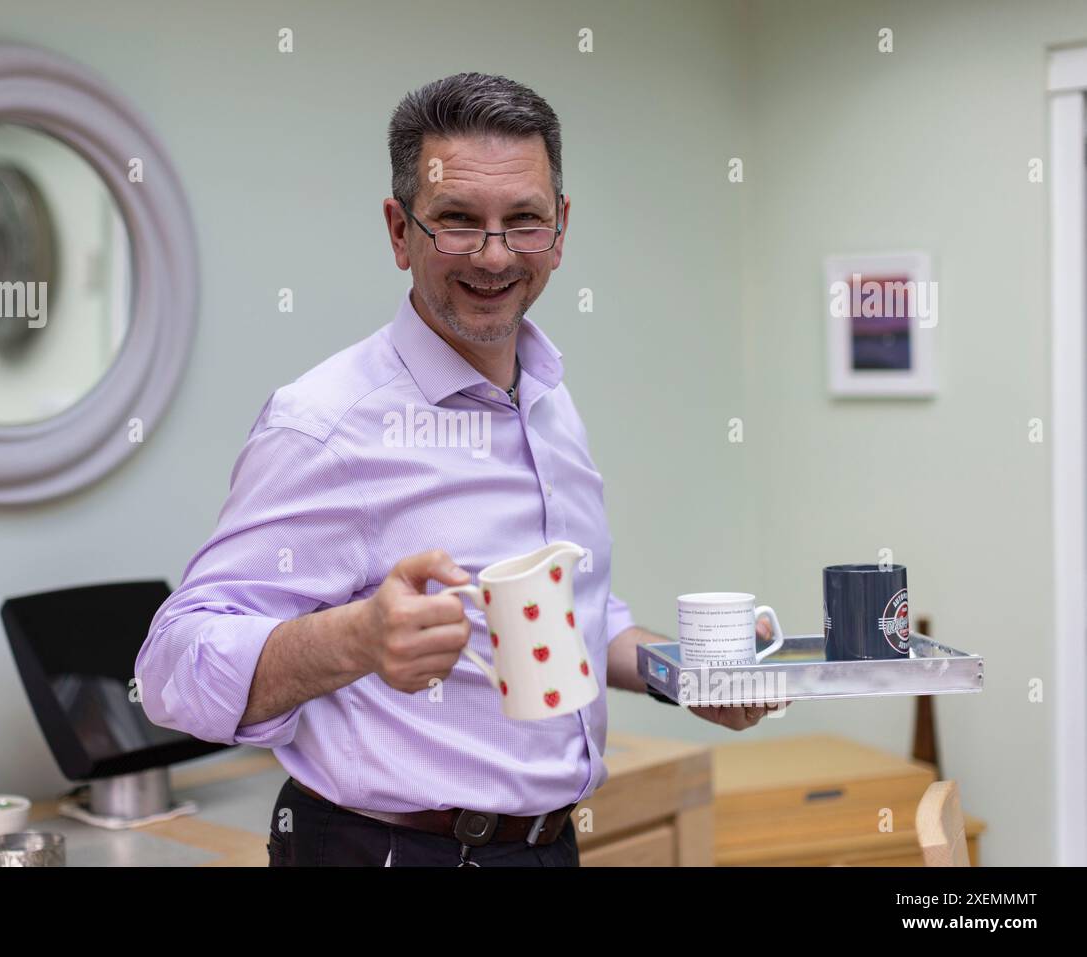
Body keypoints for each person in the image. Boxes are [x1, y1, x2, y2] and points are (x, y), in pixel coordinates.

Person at [135, 72, 782, 867]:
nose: (495, 255)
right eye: (457, 222)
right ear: (399, 231)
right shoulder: (325, 424)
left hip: (548, 846)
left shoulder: (547, 397)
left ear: (561, 228)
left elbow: (573, 616)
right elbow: (171, 666)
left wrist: (686, 674)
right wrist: (358, 637)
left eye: (524, 222)